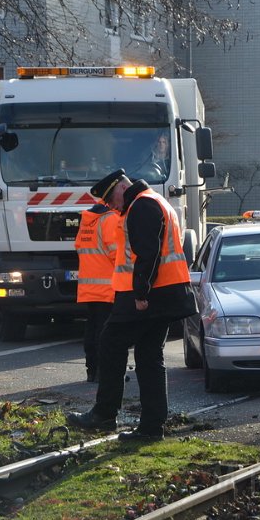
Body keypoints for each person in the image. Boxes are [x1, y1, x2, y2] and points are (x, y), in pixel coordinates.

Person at [67, 169, 198, 441]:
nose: (111, 207)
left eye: (110, 201)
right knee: (150, 357)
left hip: (145, 296)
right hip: (163, 293)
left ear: (119, 189)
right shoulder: (154, 201)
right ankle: (151, 428)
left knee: (110, 343)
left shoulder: (142, 206)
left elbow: (146, 253)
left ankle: (104, 415)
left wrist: (141, 292)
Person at [74, 203, 120, 382]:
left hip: (88, 286)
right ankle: (104, 372)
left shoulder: (87, 221)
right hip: (108, 287)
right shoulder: (110, 219)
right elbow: (118, 254)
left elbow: (79, 247)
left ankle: (91, 370)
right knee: (106, 332)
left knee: (92, 329)